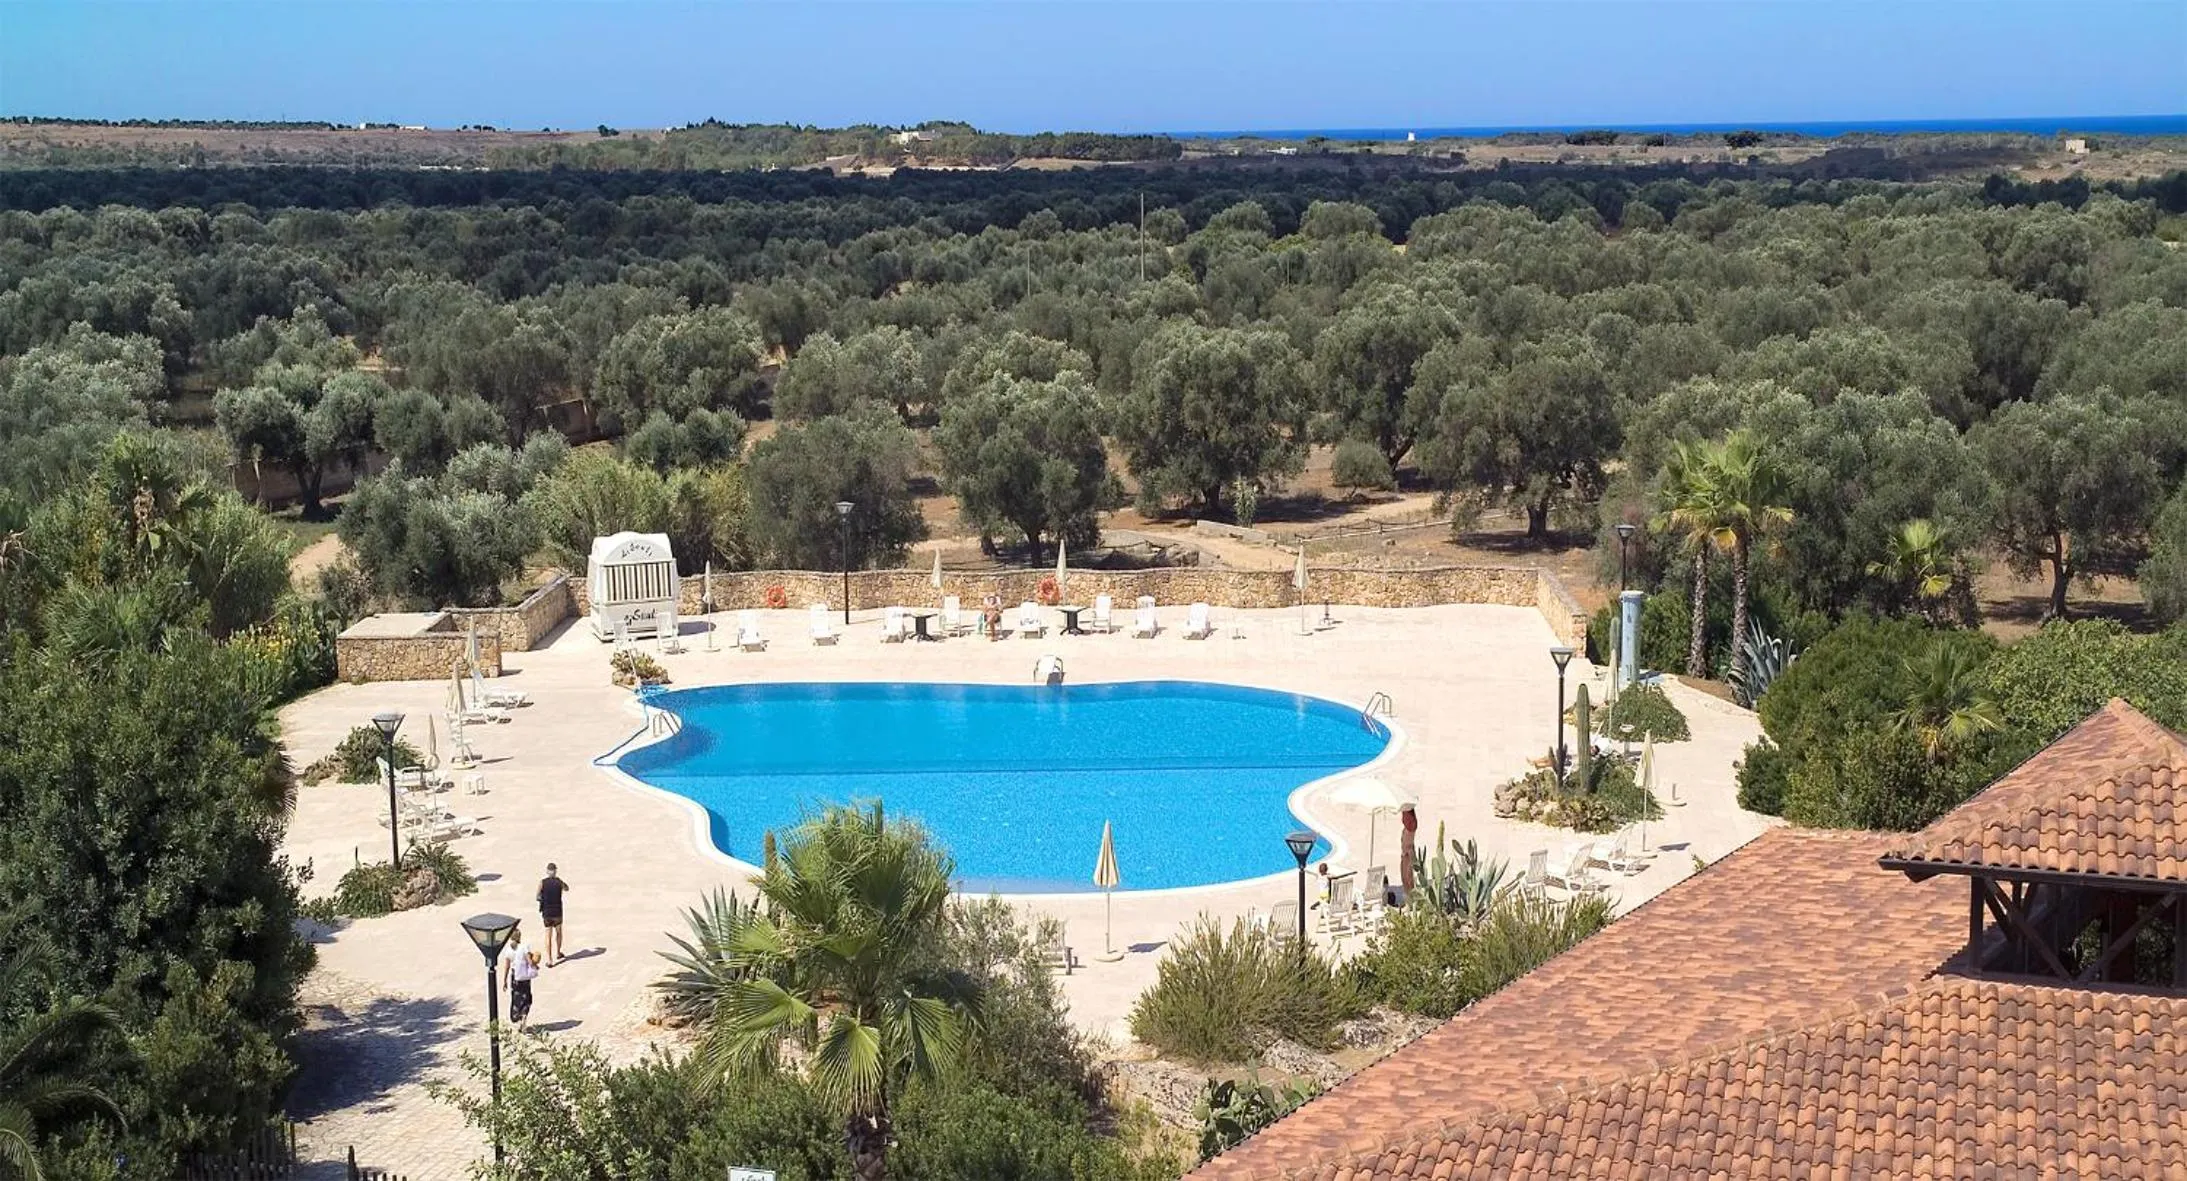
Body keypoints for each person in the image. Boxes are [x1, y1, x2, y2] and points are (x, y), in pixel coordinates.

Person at [499, 922, 541, 1028]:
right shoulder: (524, 947)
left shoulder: (508, 950)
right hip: (524, 976)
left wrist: (504, 980)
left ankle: (516, 1015)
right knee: (526, 996)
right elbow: (530, 961)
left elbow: (507, 966)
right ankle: (524, 1013)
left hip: (515, 977)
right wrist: (536, 967)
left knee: (516, 996)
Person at [537, 863, 570, 965]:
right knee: (559, 932)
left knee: (548, 935)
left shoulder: (542, 882)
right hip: (557, 911)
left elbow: (537, 896)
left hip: (547, 912)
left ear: (547, 871)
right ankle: (558, 952)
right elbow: (567, 888)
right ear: (555, 871)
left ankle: (549, 959)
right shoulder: (559, 882)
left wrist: (544, 899)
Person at [1396, 803, 1419, 905]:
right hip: (1406, 853)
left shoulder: (1410, 826)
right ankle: (1410, 901)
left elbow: (1408, 845)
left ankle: (1411, 901)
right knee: (1406, 878)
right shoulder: (1408, 827)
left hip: (1407, 854)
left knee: (1407, 878)